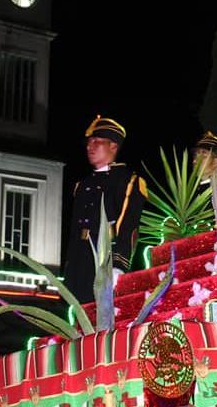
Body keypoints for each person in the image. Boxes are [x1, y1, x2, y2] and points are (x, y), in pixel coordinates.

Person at [63, 115, 148, 303]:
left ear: (113, 146)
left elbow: (128, 226)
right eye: (88, 142)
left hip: (105, 260)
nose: (89, 146)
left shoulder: (128, 181)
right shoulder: (82, 184)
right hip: (79, 263)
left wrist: (119, 264)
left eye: (96, 141)